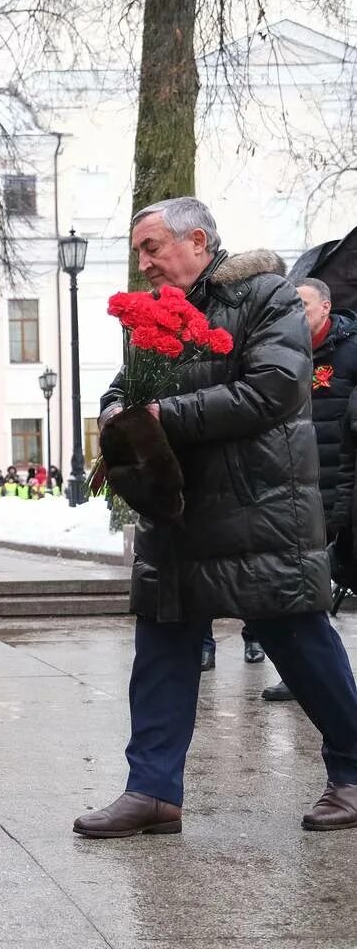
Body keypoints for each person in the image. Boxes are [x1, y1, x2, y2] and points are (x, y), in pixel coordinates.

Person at [74, 196, 357, 838]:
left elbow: (272, 391)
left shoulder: (265, 297)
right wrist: (119, 408)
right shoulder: (156, 314)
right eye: (139, 251)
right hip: (177, 511)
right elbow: (128, 385)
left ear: (197, 240)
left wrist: (159, 418)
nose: (143, 263)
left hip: (259, 510)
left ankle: (354, 771)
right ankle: (151, 791)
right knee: (162, 650)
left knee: (300, 644)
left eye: (153, 248)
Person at [260, 279, 357, 701]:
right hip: (295, 488)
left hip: (342, 488)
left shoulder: (351, 352)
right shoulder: (285, 352)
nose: (295, 312)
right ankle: (306, 676)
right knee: (304, 584)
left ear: (325, 307)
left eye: (302, 304)